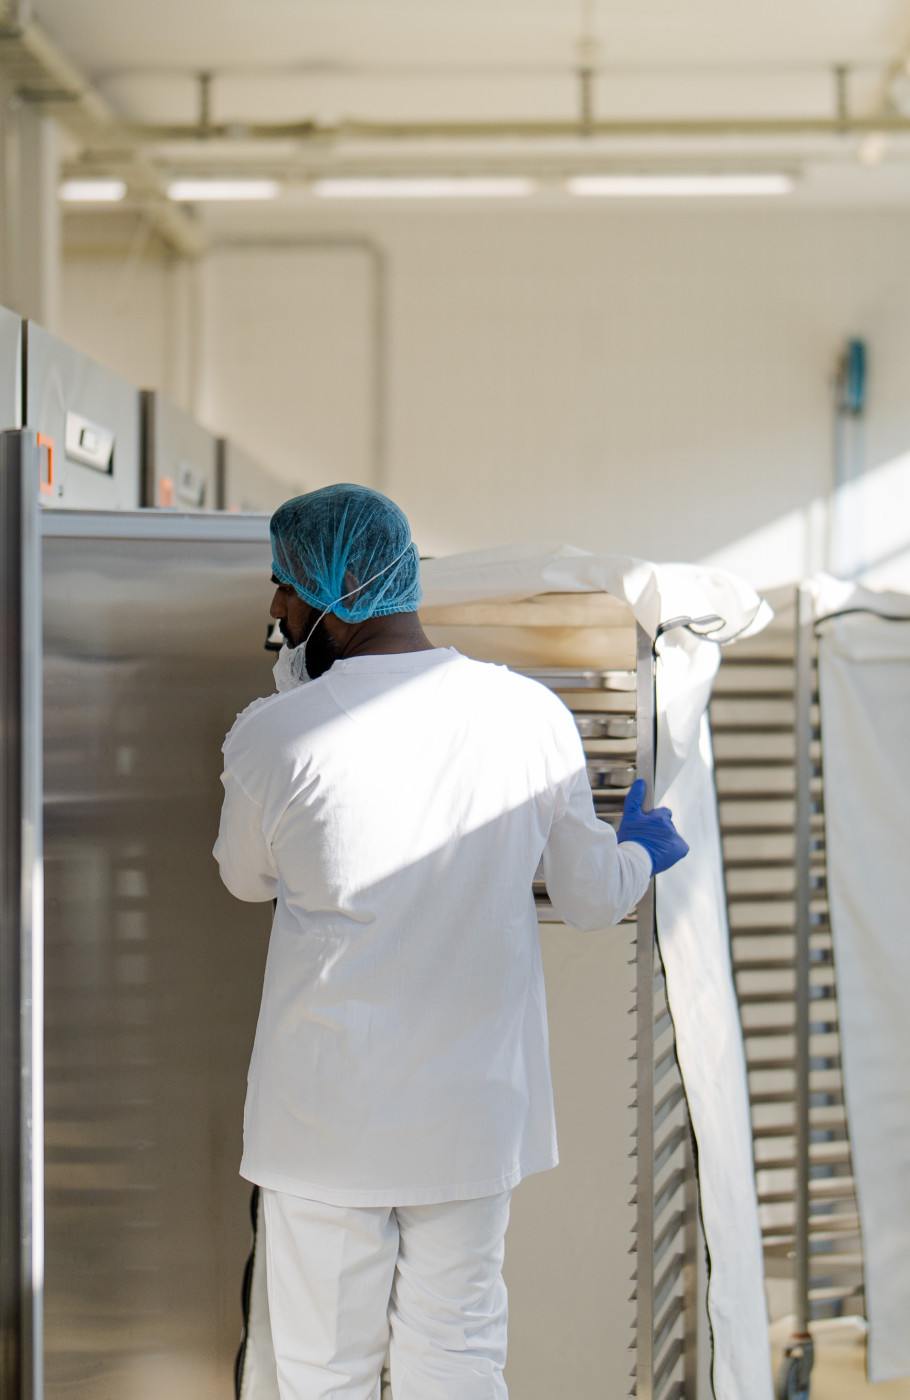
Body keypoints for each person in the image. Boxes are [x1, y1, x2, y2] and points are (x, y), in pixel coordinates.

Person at [213, 483, 688, 1400]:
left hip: (326, 1120)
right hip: (471, 1111)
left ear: (334, 591)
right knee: (458, 1359)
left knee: (322, 1372)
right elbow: (592, 899)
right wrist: (637, 850)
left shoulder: (274, 736)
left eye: (283, 584)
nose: (275, 609)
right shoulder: (530, 716)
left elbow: (245, 878)